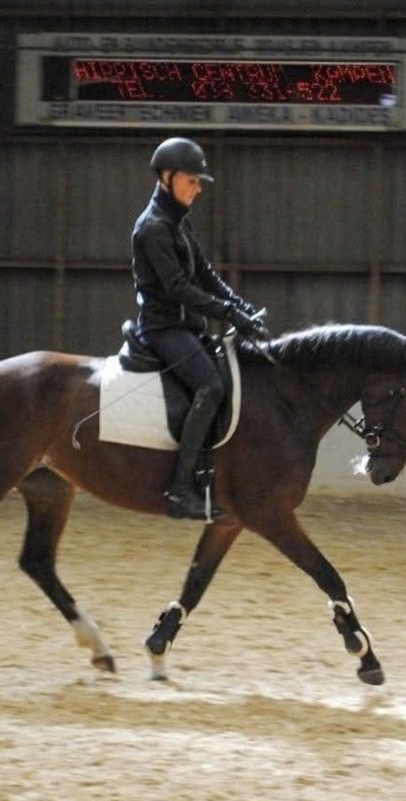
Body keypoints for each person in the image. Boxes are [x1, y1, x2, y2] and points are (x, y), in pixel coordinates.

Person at [130, 136, 270, 521]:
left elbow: (205, 274)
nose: (197, 189)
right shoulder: (153, 228)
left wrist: (240, 307)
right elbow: (177, 287)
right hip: (163, 330)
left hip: (188, 327)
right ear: (167, 177)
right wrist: (228, 312)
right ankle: (179, 491)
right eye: (191, 181)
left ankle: (212, 475)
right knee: (210, 386)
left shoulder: (178, 223)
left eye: (198, 182)